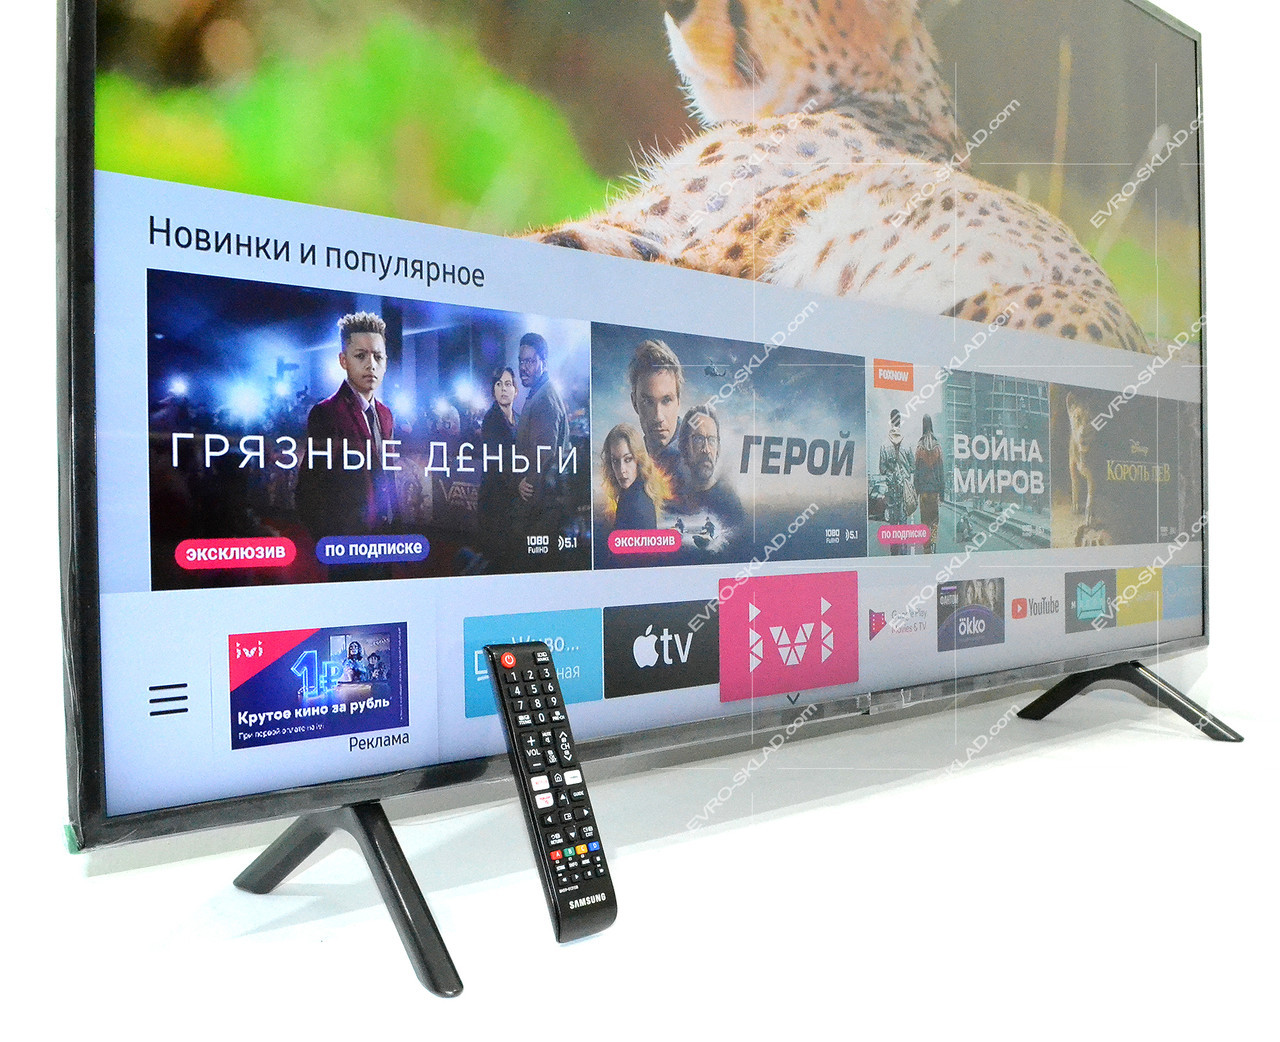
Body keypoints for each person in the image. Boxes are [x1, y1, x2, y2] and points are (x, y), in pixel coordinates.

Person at [296, 312, 396, 541]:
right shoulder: (326, 412)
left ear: (386, 362)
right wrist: (330, 541)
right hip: (347, 539)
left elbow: (387, 476)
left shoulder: (385, 414)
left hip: (386, 536)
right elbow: (309, 489)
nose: (371, 365)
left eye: (378, 357)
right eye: (360, 356)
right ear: (343, 360)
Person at [514, 332, 570, 543]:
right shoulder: (540, 393)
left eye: (530, 361)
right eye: (521, 361)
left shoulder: (545, 398)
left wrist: (526, 486)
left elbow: (543, 456)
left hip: (540, 506)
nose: (523, 367)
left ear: (543, 363)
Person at [674, 404, 746, 549]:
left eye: (712, 440)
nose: (706, 449)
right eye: (698, 439)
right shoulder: (671, 496)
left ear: (718, 449)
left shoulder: (730, 505)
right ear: (684, 446)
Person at [477, 365, 520, 564]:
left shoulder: (519, 419)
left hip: (513, 501)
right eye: (499, 384)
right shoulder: (491, 419)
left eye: (508, 384)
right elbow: (498, 463)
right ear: (493, 390)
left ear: (515, 390)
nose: (504, 389)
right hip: (494, 499)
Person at [627, 338, 685, 484]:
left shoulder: (696, 463)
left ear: (678, 401)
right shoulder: (629, 464)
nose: (658, 416)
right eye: (648, 402)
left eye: (666, 400)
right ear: (634, 403)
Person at [600, 423, 661, 532]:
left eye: (628, 459)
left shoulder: (636, 502)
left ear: (639, 460)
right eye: (615, 460)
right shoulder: (629, 494)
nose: (621, 469)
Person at [879, 407, 915, 555]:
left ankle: (894, 554)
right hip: (904, 490)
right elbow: (912, 467)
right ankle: (904, 554)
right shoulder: (907, 443)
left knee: (893, 525)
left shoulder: (884, 444)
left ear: (890, 421)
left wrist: (891, 471)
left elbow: (882, 469)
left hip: (892, 490)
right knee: (903, 523)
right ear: (900, 421)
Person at [914, 414, 944, 554]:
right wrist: (942, 493)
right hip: (935, 490)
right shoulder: (937, 447)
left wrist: (916, 491)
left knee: (924, 520)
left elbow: (917, 471)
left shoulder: (919, 447)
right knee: (935, 520)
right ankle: (933, 540)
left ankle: (926, 548)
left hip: (923, 491)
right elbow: (941, 471)